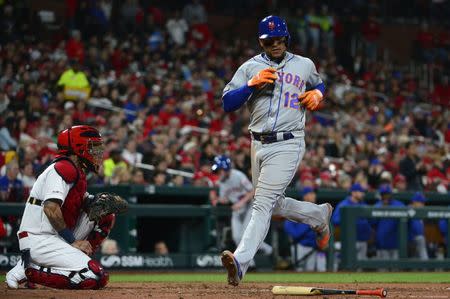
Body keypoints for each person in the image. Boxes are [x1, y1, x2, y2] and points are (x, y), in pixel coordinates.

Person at [219, 15, 332, 286]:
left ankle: (240, 261)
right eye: (271, 40)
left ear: (287, 39)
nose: (277, 44)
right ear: (261, 42)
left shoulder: (303, 64)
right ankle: (318, 216)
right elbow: (227, 103)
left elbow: (318, 83)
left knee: (261, 203)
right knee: (274, 203)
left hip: (289, 142)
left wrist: (318, 94)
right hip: (257, 143)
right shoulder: (249, 68)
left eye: (281, 39)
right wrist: (250, 85)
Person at [5, 125, 127, 289]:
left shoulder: (77, 171)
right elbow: (50, 208)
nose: (97, 152)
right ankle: (28, 270)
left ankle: (80, 257)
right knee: (95, 277)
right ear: (79, 148)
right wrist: (73, 241)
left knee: (105, 213)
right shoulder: (62, 168)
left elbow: (84, 204)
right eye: (92, 147)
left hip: (56, 235)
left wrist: (99, 202)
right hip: (39, 238)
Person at [209, 155, 272, 256]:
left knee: (245, 235)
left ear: (226, 168)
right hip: (237, 209)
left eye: (220, 170)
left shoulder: (238, 175)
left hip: (249, 206)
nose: (218, 174)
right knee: (237, 237)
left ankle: (267, 250)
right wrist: (216, 199)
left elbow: (253, 191)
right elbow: (225, 199)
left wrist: (241, 202)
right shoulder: (221, 183)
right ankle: (253, 262)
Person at [284, 187, 326, 272]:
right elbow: (290, 229)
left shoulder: (316, 210)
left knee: (310, 273)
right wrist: (309, 224)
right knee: (298, 272)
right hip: (299, 246)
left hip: (312, 247)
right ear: (305, 196)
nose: (314, 195)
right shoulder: (296, 209)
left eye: (314, 193)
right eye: (311, 193)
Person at [331, 183, 371, 260]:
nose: (363, 194)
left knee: (361, 267)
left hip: (363, 241)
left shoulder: (363, 204)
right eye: (361, 192)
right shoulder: (343, 205)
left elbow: (370, 221)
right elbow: (335, 221)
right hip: (349, 242)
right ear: (353, 193)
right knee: (349, 266)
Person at [373, 184, 405, 260]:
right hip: (381, 244)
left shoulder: (399, 205)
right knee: (383, 269)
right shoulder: (377, 206)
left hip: (396, 244)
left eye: (387, 194)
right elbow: (372, 224)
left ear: (391, 195)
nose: (385, 197)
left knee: (396, 269)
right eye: (383, 194)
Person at [408, 192, 429, 260]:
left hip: (415, 241)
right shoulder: (409, 210)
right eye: (421, 202)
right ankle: (426, 267)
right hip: (409, 240)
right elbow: (416, 229)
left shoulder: (419, 211)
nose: (423, 204)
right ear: (414, 202)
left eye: (423, 202)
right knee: (420, 239)